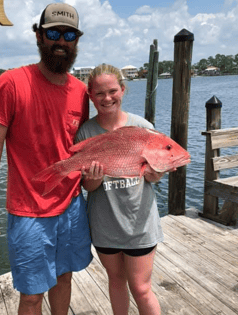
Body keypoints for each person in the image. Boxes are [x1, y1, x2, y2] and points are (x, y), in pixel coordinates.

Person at [0, 3, 92, 315]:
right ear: (39, 36)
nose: (61, 41)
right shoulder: (12, 82)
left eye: (69, 35)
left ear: (76, 41)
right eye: (53, 33)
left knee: (64, 278)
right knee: (31, 296)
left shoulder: (81, 92)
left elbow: (81, 147)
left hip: (72, 206)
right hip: (29, 212)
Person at [76, 64, 164, 315]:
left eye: (113, 91)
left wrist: (155, 174)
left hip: (140, 223)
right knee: (116, 281)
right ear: (91, 96)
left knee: (141, 288)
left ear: (123, 90)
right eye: (100, 93)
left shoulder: (142, 127)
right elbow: (88, 186)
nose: (107, 98)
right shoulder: (86, 132)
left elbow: (153, 176)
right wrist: (95, 177)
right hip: (105, 224)